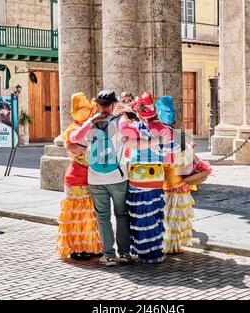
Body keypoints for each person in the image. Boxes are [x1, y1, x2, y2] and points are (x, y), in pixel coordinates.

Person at [67, 89, 131, 266]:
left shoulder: (89, 126)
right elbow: (133, 133)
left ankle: (109, 256)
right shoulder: (119, 122)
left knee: (103, 217)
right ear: (113, 105)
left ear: (97, 105)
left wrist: (89, 121)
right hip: (118, 177)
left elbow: (73, 138)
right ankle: (124, 253)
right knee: (122, 215)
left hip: (95, 179)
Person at [120, 92, 172, 263]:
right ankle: (154, 251)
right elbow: (169, 156)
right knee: (154, 212)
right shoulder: (165, 129)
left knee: (140, 213)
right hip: (156, 176)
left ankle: (144, 251)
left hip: (138, 176)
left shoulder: (134, 127)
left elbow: (127, 142)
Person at [56, 93, 103, 260]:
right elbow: (74, 150)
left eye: (87, 109)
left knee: (89, 213)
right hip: (76, 176)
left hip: (90, 176)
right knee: (78, 213)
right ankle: (78, 247)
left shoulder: (91, 128)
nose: (86, 113)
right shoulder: (72, 130)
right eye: (81, 110)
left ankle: (90, 246)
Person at [156, 96, 196, 254]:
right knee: (175, 214)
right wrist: (190, 150)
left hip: (167, 181)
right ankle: (172, 245)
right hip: (177, 181)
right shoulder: (176, 134)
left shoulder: (158, 134)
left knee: (168, 214)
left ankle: (169, 244)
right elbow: (181, 159)